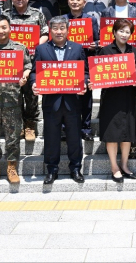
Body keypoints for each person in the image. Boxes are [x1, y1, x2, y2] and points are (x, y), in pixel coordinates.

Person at [31, 16, 88, 184]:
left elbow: (85, 72)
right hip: (51, 101)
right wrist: (34, 83)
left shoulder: (77, 49)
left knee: (74, 137)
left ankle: (76, 168)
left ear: (67, 29)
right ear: (50, 30)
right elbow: (34, 72)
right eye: (55, 28)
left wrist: (85, 82)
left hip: (72, 101)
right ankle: (51, 170)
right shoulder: (42, 49)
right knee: (51, 137)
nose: (59, 31)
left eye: (62, 28)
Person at [0, 15, 32, 185]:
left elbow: (27, 66)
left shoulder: (19, 48)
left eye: (4, 27)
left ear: (10, 28)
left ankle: (12, 167)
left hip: (12, 98)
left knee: (12, 136)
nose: (1, 31)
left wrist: (25, 76)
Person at [94, 19, 136, 183]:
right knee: (112, 135)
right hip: (111, 98)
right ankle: (114, 167)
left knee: (127, 133)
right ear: (114, 32)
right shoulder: (105, 51)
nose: (124, 34)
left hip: (129, 97)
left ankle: (125, 165)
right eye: (121, 31)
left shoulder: (134, 51)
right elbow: (97, 73)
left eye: (127, 32)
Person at [4, 0, 49, 142]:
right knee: (14, 94)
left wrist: (36, 46)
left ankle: (30, 125)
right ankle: (18, 125)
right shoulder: (5, 15)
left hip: (31, 59)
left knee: (30, 94)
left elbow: (45, 32)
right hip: (11, 62)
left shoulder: (37, 14)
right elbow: (0, 33)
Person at [62, 0, 101, 141]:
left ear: (84, 3)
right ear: (68, 1)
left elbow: (99, 41)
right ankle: (66, 129)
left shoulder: (91, 20)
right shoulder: (62, 20)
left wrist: (94, 45)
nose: (75, 2)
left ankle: (86, 128)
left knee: (86, 97)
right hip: (67, 64)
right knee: (67, 99)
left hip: (85, 63)